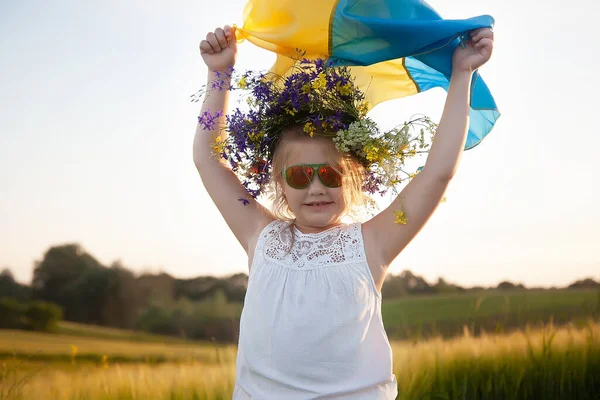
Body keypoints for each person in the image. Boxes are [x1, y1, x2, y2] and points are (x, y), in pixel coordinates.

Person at [194, 24, 494, 400]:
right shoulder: (259, 234)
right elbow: (210, 162)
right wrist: (219, 73)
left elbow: (437, 173)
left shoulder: (372, 243)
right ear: (279, 183)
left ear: (351, 177)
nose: (317, 187)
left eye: (330, 174)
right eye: (300, 175)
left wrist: (462, 72)